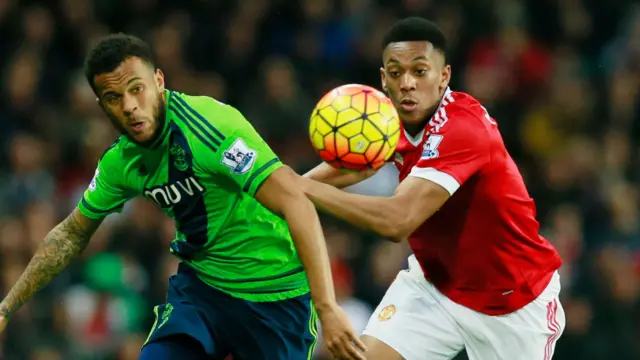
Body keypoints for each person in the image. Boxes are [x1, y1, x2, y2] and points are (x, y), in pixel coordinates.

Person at [0, 33, 367, 360]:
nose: (128, 106)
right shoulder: (120, 162)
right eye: (113, 97)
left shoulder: (212, 127)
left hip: (276, 295)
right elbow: (71, 233)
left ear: (158, 81)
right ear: (101, 104)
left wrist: (328, 307)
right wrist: (6, 307)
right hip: (203, 290)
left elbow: (294, 201)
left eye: (136, 88)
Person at [302, 17, 565, 360]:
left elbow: (397, 221)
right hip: (435, 288)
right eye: (396, 73)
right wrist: (287, 188)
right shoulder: (386, 121)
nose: (407, 83)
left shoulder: (463, 128)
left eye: (420, 71)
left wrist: (299, 190)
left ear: (444, 77)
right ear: (384, 80)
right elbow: (352, 165)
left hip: (512, 303)